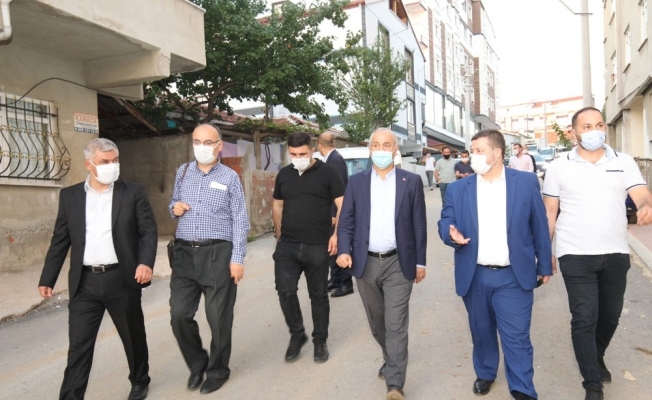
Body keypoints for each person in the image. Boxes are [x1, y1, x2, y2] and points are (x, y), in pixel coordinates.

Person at [542, 107, 652, 400]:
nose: (595, 131)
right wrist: (545, 251)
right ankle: (592, 384)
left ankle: (596, 354)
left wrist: (645, 206)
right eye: (587, 126)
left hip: (615, 251)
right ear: (574, 132)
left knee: (610, 316)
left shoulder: (623, 161)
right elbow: (550, 212)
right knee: (584, 318)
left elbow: (641, 193)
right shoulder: (558, 167)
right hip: (574, 254)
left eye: (600, 125)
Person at [38, 138, 157, 400]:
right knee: (79, 346)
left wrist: (145, 262)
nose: (112, 166)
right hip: (84, 284)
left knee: (132, 337)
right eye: (105, 161)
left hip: (121, 279)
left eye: (115, 160)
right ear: (88, 165)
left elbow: (148, 231)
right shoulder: (70, 196)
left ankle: (140, 381)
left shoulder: (132, 192)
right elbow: (60, 240)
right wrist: (48, 278)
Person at [438, 129, 552, 400]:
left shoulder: (525, 182)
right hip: (475, 275)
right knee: (482, 331)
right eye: (472, 151)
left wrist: (544, 264)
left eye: (479, 151)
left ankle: (522, 388)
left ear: (497, 153)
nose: (472, 156)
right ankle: (486, 371)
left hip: (513, 275)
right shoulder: (458, 188)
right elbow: (446, 220)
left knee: (517, 336)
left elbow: (539, 224)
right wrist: (450, 233)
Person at [337, 128, 427, 400]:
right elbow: (347, 220)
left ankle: (395, 384)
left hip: (399, 262)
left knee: (396, 324)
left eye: (386, 145)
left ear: (395, 150)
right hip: (366, 262)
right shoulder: (357, 182)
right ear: (370, 149)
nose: (381, 149)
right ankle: (391, 358)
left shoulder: (411, 181)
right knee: (377, 323)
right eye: (376, 144)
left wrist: (420, 262)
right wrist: (343, 250)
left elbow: (419, 225)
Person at [168, 124, 250, 394]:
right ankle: (197, 363)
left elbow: (240, 219)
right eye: (197, 141)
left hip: (217, 254)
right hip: (183, 254)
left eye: (207, 142)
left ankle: (218, 371)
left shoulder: (229, 177)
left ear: (219, 145)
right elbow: (173, 204)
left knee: (218, 318)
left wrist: (237, 258)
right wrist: (174, 208)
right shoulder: (183, 172)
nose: (201, 147)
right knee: (179, 314)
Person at [272, 131, 345, 364]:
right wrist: (278, 234)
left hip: (317, 245)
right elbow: (277, 205)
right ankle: (297, 334)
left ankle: (320, 340)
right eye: (293, 154)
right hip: (288, 245)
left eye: (302, 153)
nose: (298, 158)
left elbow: (342, 205)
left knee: (319, 295)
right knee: (285, 290)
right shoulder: (284, 174)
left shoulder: (328, 173)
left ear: (312, 150)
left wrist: (337, 235)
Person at [317, 132, 353, 298]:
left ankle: (346, 283)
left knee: (339, 245)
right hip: (332, 211)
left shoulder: (335, 160)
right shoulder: (331, 158)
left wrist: (333, 213)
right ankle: (336, 278)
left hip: (337, 212)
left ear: (319, 145)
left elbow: (338, 190)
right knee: (332, 248)